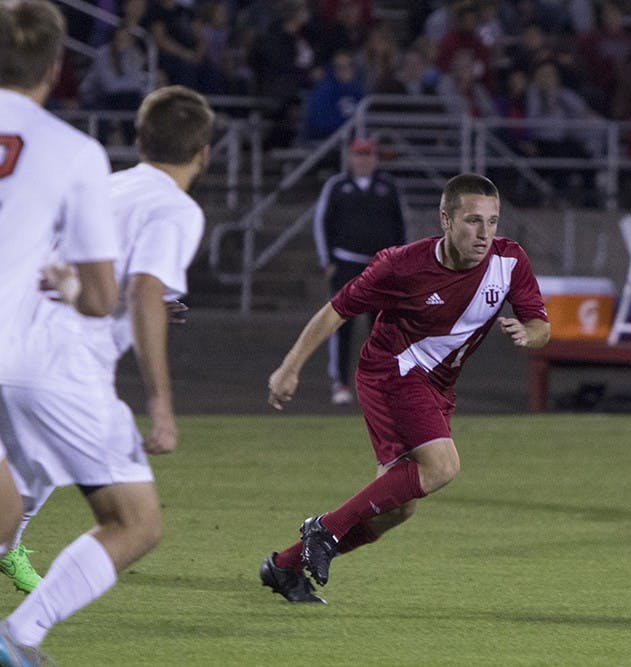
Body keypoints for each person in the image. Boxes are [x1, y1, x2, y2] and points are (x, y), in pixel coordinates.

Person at [0, 79, 214, 662]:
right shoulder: (176, 209)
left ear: (140, 139)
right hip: (61, 370)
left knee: (14, 498)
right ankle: (19, 637)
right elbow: (145, 292)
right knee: (136, 522)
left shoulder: (105, 184)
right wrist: (162, 405)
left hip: (9, 350)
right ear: (205, 154)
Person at [261, 173, 550, 603]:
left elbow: (541, 325)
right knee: (442, 466)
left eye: (492, 221)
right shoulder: (400, 265)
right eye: (472, 220)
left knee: (397, 509)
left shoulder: (510, 261)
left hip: (437, 385)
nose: (484, 233)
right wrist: (289, 368)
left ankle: (284, 566)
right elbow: (336, 311)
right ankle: (324, 528)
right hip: (391, 371)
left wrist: (530, 333)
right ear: (445, 220)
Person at [0, 0, 120, 611]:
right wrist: (71, 287)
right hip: (11, 355)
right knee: (129, 517)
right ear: (54, 66)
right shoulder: (73, 151)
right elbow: (102, 297)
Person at [312, 136, 407, 405]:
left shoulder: (387, 187)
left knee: (382, 328)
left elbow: (400, 226)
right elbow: (322, 222)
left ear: (375, 158)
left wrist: (400, 264)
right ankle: (340, 382)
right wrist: (327, 261)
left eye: (367, 155)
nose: (363, 161)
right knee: (341, 325)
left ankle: (381, 385)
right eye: (358, 155)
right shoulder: (337, 186)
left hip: (380, 267)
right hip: (346, 265)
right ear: (350, 158)